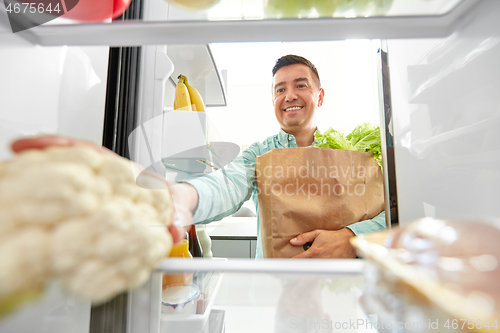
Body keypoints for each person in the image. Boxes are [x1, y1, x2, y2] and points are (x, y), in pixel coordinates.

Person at [170, 54, 386, 259]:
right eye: (280, 89)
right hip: (273, 287)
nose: (289, 95)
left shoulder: (347, 153)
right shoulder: (259, 154)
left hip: (337, 285)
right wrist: (185, 196)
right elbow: (229, 184)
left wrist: (352, 237)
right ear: (273, 99)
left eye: (301, 85)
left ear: (320, 96)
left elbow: (395, 214)